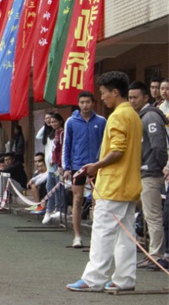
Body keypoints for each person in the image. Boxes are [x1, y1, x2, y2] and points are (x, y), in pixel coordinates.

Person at [67, 72, 143, 293]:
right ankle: (125, 278)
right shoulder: (133, 115)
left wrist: (95, 166)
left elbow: (118, 150)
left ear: (115, 92)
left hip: (114, 185)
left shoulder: (118, 116)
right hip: (128, 184)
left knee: (103, 232)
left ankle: (94, 278)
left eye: (103, 93)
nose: (102, 98)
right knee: (126, 234)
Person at [127, 82, 169, 270]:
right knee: (148, 215)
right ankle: (152, 254)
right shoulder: (141, 116)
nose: (132, 101)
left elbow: (159, 146)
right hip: (146, 172)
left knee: (153, 216)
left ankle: (156, 256)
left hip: (151, 172)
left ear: (146, 97)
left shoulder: (150, 116)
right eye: (130, 98)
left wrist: (159, 166)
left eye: (135, 97)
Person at [62, 91, 106, 248]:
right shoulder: (71, 122)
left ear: (93, 103)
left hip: (97, 166)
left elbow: (106, 143)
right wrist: (66, 167)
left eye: (88, 102)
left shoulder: (101, 121)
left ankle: (97, 237)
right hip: (77, 166)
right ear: (78, 104)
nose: (85, 105)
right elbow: (66, 145)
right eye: (82, 102)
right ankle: (77, 236)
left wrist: (102, 162)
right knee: (77, 199)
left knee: (97, 201)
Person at [42, 112, 65, 225]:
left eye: (55, 121)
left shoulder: (62, 133)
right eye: (51, 122)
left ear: (60, 121)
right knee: (50, 186)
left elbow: (62, 150)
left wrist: (60, 164)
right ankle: (51, 209)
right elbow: (54, 149)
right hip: (54, 164)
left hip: (59, 165)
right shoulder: (55, 132)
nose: (53, 124)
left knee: (58, 187)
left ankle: (60, 209)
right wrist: (53, 159)